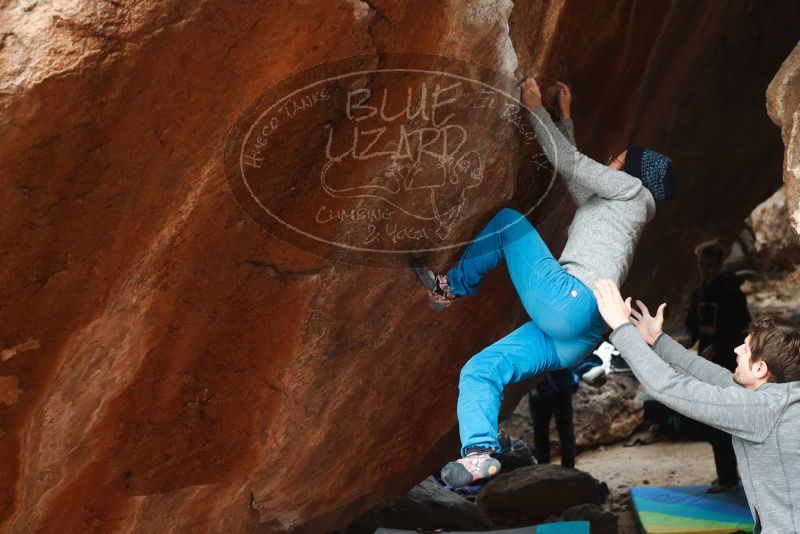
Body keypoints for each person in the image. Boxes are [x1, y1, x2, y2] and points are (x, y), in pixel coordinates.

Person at [414, 76, 677, 488]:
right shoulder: (620, 205)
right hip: (577, 336)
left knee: (508, 223)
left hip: (570, 301)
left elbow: (570, 163)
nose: (610, 160)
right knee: (481, 370)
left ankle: (450, 287)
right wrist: (565, 116)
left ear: (636, 174)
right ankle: (479, 455)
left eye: (618, 158)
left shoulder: (630, 190)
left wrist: (534, 108)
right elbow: (577, 180)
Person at [593, 279, 800, 533]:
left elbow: (668, 386)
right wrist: (657, 340)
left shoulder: (765, 410)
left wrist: (621, 327)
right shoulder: (781, 397)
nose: (736, 349)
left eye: (744, 349)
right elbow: (714, 376)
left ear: (760, 369)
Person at [529, 368, 578, 468]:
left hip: (540, 386)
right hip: (561, 382)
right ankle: (568, 468)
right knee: (565, 428)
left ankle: (544, 468)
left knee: (540, 430)